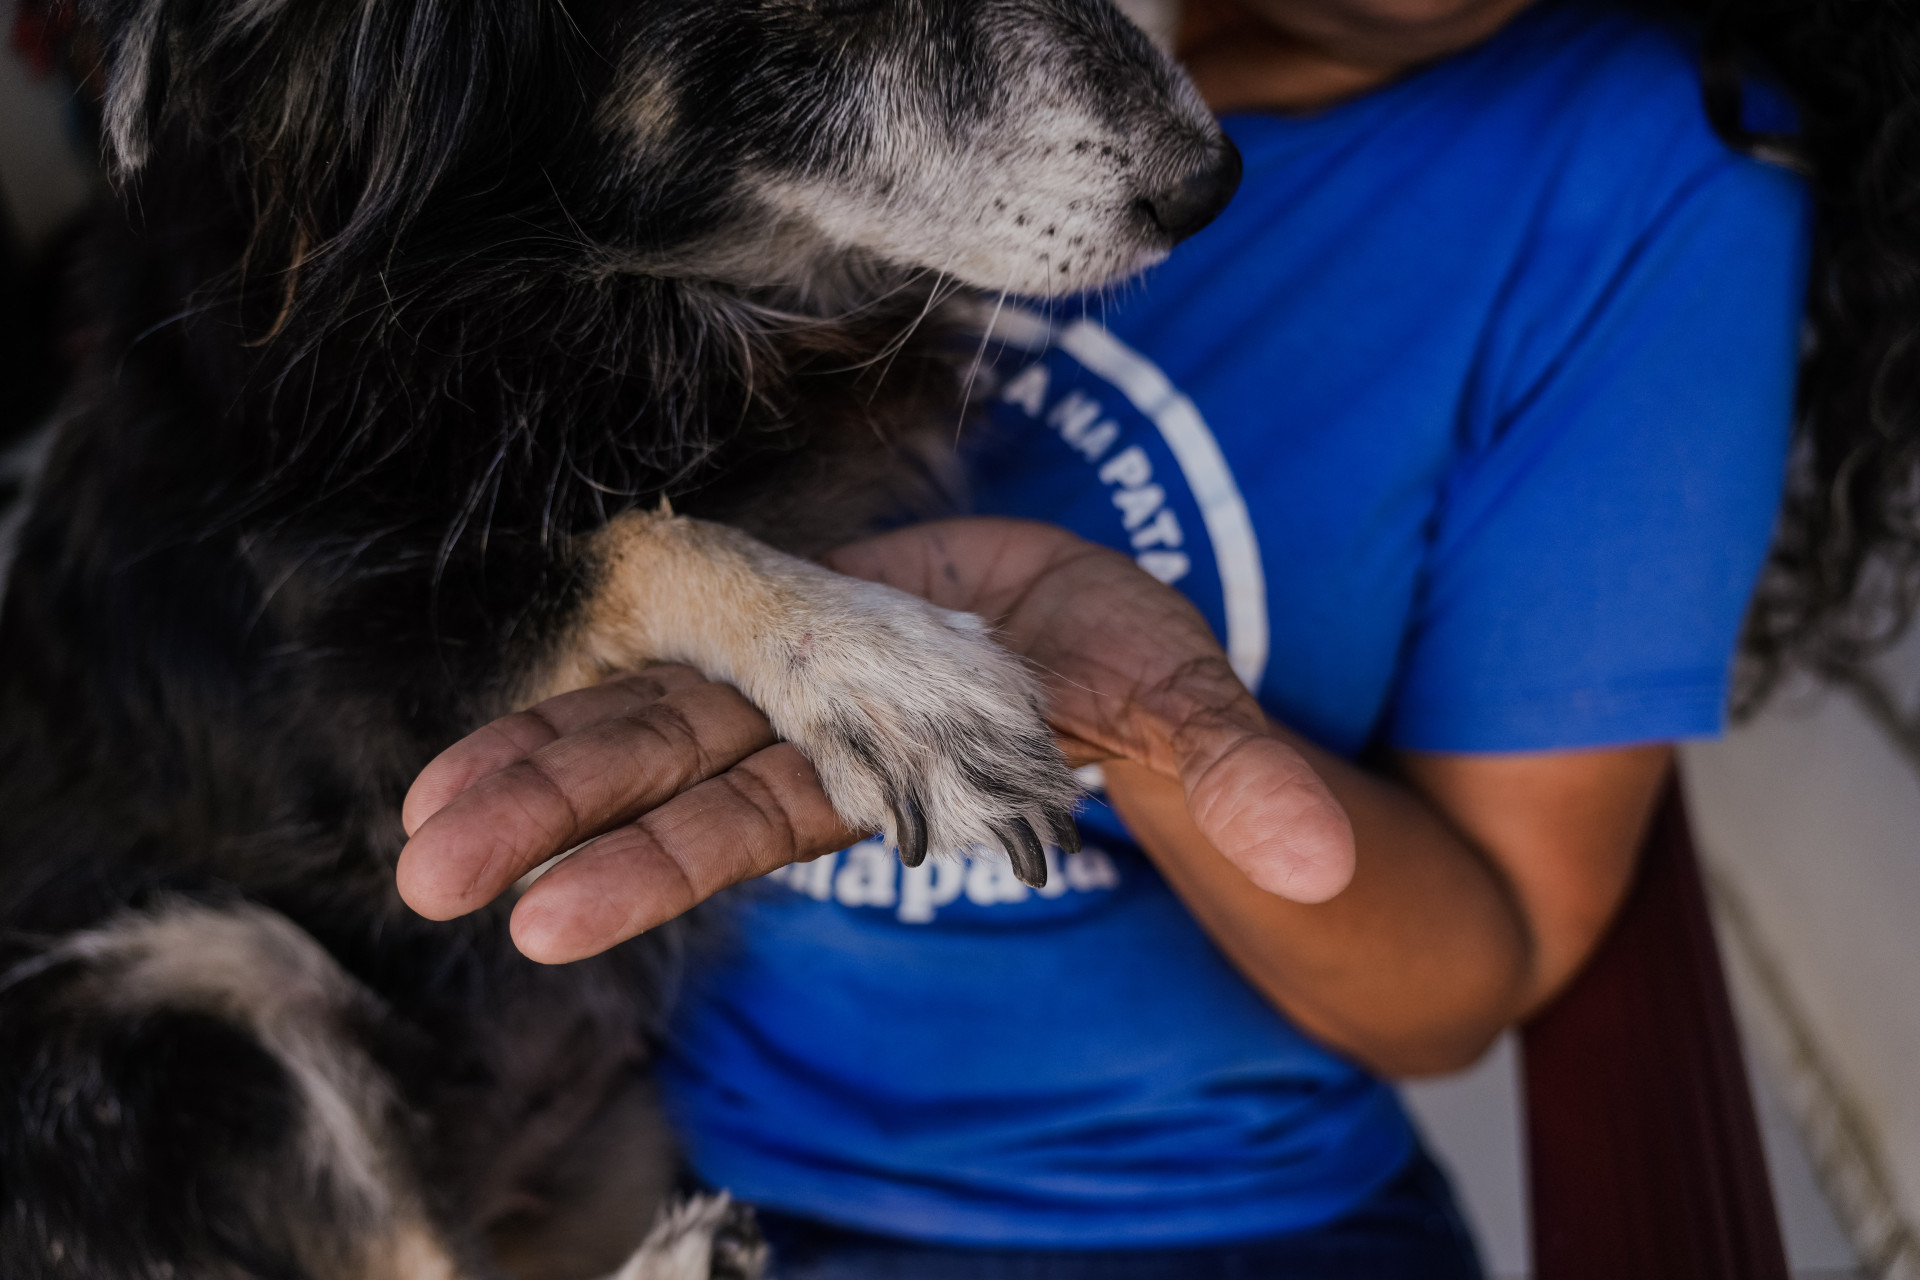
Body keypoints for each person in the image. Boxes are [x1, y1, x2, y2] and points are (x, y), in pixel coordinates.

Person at [394, 0, 1888, 1274]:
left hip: (1177, 1224)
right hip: (640, 1152)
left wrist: (1152, 731)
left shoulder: (1642, 174)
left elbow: (1475, 966)